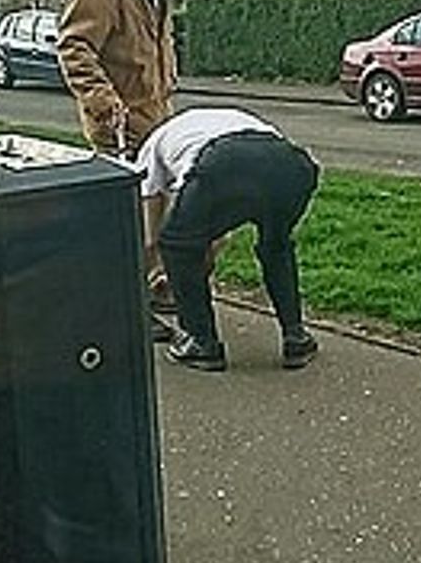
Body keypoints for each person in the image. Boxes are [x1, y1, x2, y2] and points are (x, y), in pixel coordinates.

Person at [57, 0, 197, 341]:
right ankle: (124, 304)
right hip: (118, 119)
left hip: (157, 112)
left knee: (165, 210)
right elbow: (73, 45)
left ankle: (155, 286)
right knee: (126, 218)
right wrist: (102, 101)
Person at [135, 107, 320, 372]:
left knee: (176, 245)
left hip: (224, 160)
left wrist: (145, 288)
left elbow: (150, 239)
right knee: (276, 245)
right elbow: (214, 231)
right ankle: (296, 338)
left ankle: (201, 343)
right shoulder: (200, 127)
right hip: (289, 164)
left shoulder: (150, 152)